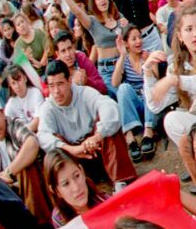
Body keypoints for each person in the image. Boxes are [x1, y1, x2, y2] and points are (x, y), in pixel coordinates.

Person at [37, 60, 136, 188]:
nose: (56, 91)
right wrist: (72, 150)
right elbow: (43, 136)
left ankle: (120, 181)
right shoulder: (48, 107)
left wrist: (97, 136)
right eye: (51, 86)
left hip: (99, 152)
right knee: (52, 147)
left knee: (109, 123)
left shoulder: (84, 93)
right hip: (75, 162)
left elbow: (110, 106)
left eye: (60, 84)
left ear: (69, 81)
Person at [0, 92, 50, 225]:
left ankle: (40, 223)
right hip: (6, 196)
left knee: (27, 169)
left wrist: (9, 172)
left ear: (3, 114)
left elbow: (32, 143)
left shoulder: (14, 125)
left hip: (30, 186)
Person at [112, 26, 157, 162]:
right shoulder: (124, 60)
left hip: (149, 103)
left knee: (148, 86)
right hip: (135, 106)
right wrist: (122, 55)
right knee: (123, 88)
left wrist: (149, 64)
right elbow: (115, 82)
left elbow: (156, 81)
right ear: (126, 43)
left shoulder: (148, 55)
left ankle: (148, 133)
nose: (138, 41)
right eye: (134, 39)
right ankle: (130, 138)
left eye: (140, 37)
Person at [43, 148, 107, 228]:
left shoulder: (104, 201)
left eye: (77, 176)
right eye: (66, 184)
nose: (76, 188)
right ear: (56, 191)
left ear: (82, 171)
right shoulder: (60, 219)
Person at [52, 31, 108, 96]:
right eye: (63, 51)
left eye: (69, 48)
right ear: (57, 54)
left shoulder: (82, 59)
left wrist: (87, 81)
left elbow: (103, 88)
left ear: (74, 47)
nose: (68, 54)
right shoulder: (55, 69)